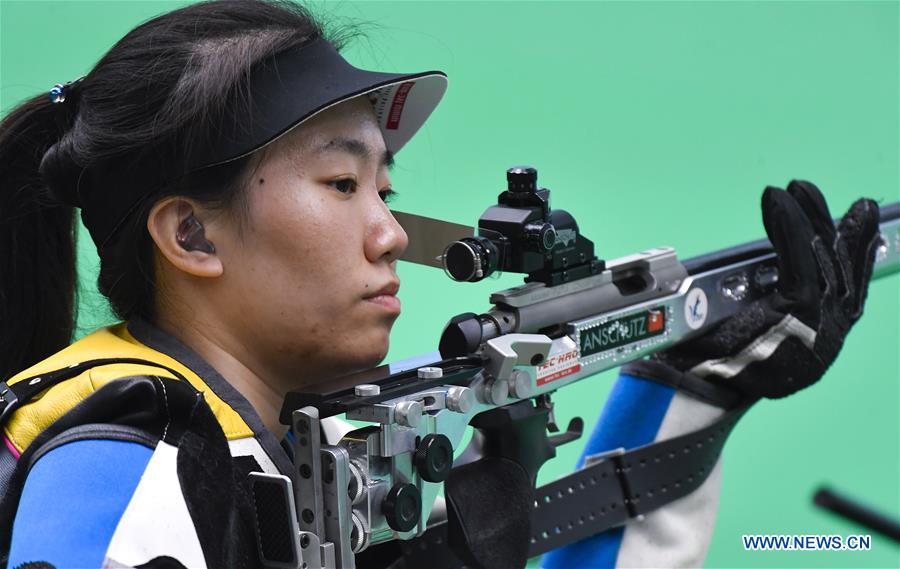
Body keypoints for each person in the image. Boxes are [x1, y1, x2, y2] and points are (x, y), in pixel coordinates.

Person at [0, 0, 881, 568]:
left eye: (386, 190)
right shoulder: (126, 466)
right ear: (191, 234)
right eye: (343, 185)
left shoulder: (255, 451)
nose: (388, 233)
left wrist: (696, 392)